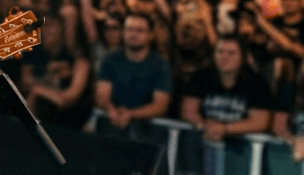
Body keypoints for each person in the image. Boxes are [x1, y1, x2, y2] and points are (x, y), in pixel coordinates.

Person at [180, 36, 273, 174]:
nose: (224, 57)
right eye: (220, 51)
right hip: (204, 145)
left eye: (231, 53)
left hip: (241, 149)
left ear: (243, 56)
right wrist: (204, 125)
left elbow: (261, 121)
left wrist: (224, 128)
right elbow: (188, 110)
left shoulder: (256, 83)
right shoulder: (202, 76)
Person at [95, 13, 173, 141]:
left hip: (148, 132)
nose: (133, 34)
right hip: (113, 126)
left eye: (140, 30)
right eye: (129, 29)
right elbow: (102, 95)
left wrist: (130, 114)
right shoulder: (110, 59)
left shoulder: (161, 65)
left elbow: (160, 105)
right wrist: (111, 110)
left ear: (151, 35)